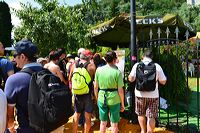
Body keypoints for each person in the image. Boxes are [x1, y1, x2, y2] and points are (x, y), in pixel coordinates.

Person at [4, 39, 43, 133]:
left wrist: (10, 127)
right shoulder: (50, 74)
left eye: (14, 56)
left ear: (22, 57)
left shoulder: (14, 80)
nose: (13, 59)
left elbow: (9, 115)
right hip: (52, 127)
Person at [128, 49, 167, 133]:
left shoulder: (137, 65)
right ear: (152, 57)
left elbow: (131, 79)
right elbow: (163, 81)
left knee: (141, 114)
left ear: (143, 56)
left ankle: (143, 130)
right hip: (153, 95)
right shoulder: (157, 66)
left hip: (139, 95)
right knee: (151, 116)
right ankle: (150, 131)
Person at [94, 51, 125, 133]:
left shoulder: (99, 70)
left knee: (103, 123)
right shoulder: (117, 72)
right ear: (114, 59)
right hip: (114, 99)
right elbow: (120, 90)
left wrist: (97, 99)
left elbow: (95, 87)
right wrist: (122, 104)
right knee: (114, 124)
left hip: (101, 97)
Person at [69, 49, 96, 133]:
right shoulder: (91, 66)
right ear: (89, 57)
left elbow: (69, 78)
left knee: (76, 114)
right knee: (87, 116)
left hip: (77, 94)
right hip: (87, 94)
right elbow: (95, 82)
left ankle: (74, 132)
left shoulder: (74, 65)